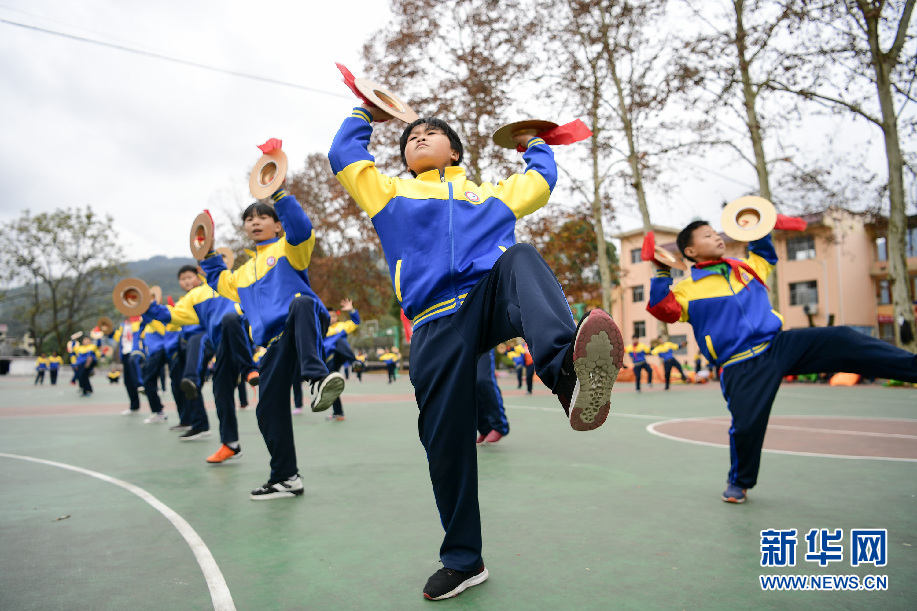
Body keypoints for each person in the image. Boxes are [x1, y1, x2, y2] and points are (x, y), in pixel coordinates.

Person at [329, 106, 623, 600]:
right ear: (402, 156)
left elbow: (540, 183)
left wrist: (533, 144)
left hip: (485, 300)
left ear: (457, 151)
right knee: (444, 445)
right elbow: (344, 153)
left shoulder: (488, 195)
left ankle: (568, 378)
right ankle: (464, 560)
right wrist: (365, 111)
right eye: (411, 137)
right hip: (432, 323)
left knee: (522, 256)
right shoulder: (387, 192)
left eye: (431, 133)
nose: (419, 138)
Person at [647, 219, 917, 504]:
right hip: (741, 363)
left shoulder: (746, 268)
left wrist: (756, 225)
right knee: (747, 426)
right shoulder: (687, 289)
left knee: (843, 338)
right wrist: (662, 270)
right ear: (690, 251)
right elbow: (663, 309)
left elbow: (765, 254)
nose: (717, 237)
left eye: (716, 232)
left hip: (779, 344)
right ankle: (739, 482)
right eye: (707, 235)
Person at [201, 194, 344, 500]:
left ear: (278, 225)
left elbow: (302, 230)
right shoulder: (240, 276)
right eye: (249, 218)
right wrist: (205, 249)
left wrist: (279, 195)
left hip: (303, 321)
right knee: (267, 409)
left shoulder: (290, 250)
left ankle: (318, 379)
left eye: (262, 216)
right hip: (274, 343)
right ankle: (286, 477)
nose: (254, 221)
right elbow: (216, 278)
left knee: (302, 301)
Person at [144, 264, 259, 452]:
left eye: (190, 277)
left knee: (224, 326)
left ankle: (245, 369)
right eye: (183, 279)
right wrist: (146, 306)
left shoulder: (230, 283)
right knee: (210, 388)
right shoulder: (192, 297)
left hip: (225, 337)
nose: (187, 281)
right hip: (201, 344)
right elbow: (171, 317)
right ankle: (221, 439)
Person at [322, 299, 360, 421]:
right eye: (328, 316)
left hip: (340, 355)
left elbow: (356, 322)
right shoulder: (320, 331)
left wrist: (352, 310)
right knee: (332, 386)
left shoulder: (342, 326)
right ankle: (338, 413)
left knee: (340, 342)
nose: (331, 318)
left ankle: (355, 362)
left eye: (333, 316)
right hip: (328, 362)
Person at [475, 350, 508, 445]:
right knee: (470, 385)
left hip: (483, 343)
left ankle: (499, 425)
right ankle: (485, 429)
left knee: (483, 380)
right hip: (462, 344)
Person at [113, 318, 144, 415]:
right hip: (125, 355)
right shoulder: (122, 325)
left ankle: (158, 411)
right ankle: (134, 406)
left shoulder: (139, 322)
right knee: (128, 381)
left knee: (140, 381)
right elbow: (117, 338)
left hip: (136, 353)